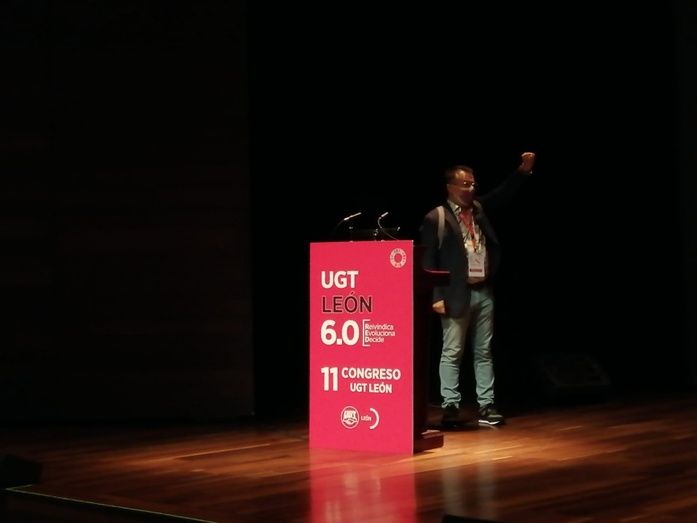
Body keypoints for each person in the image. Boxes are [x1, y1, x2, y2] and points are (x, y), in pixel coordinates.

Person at [419, 151, 536, 427]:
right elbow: (427, 259)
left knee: (483, 351)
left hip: (483, 291)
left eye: (473, 184)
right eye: (465, 184)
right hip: (454, 294)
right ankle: (450, 406)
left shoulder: (479, 210)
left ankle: (486, 405)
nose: (471, 188)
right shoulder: (436, 218)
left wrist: (522, 172)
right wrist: (435, 296)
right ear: (451, 187)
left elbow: (503, 194)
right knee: (452, 351)